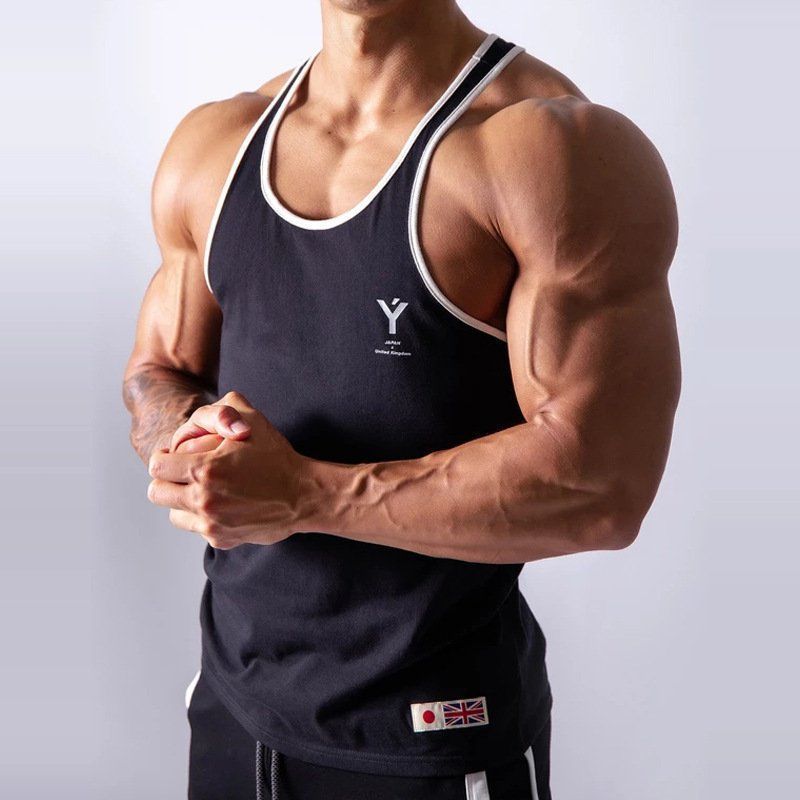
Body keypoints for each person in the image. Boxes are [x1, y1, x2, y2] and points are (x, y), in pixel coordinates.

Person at [123, 1, 680, 797]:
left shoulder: (550, 151)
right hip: (233, 711)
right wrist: (185, 434)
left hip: (434, 735)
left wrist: (307, 495)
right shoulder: (214, 146)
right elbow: (157, 372)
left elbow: (600, 487)